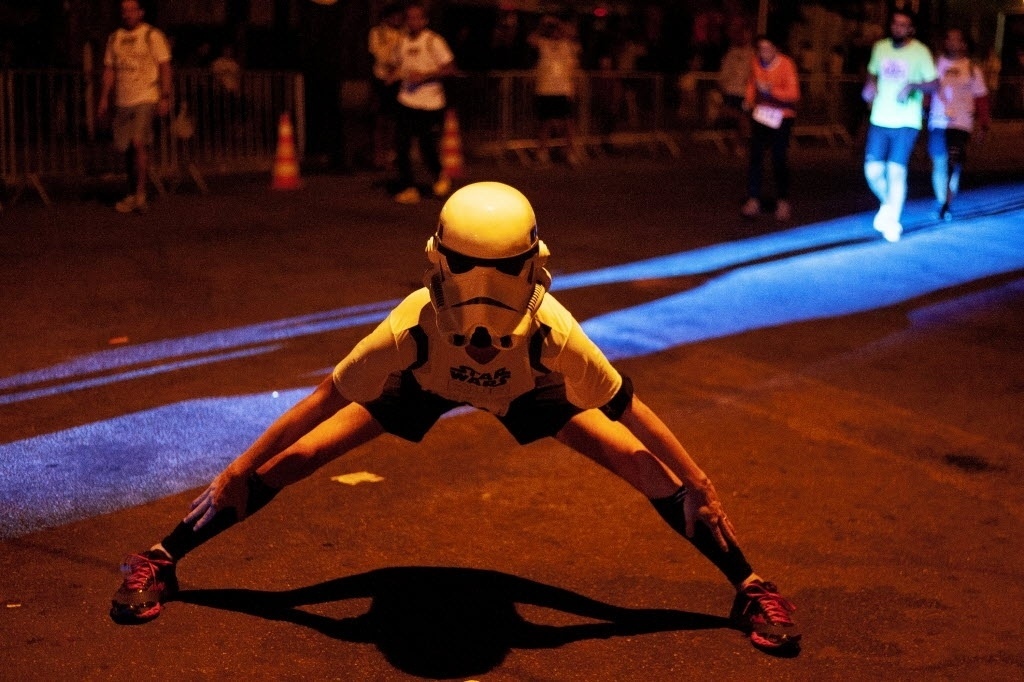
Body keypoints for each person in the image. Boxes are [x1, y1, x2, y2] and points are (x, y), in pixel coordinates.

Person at [110, 180, 802, 655]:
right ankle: (163, 557)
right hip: (428, 380)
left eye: (496, 268)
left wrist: (699, 482)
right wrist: (238, 468)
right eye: (468, 266)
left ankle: (748, 586)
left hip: (522, 386)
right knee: (293, 459)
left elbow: (629, 409)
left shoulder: (549, 332)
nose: (482, 293)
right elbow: (325, 399)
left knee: (640, 465)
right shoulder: (415, 326)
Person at [861, 9, 937, 242]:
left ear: (911, 29)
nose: (898, 27)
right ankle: (887, 204)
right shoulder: (880, 47)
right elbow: (872, 73)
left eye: (904, 25)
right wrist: (869, 86)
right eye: (895, 23)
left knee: (896, 171)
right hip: (879, 118)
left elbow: (934, 84)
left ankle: (893, 221)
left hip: (906, 120)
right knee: (872, 171)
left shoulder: (920, 52)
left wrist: (913, 85)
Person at [97, 0, 173, 214]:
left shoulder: (151, 35)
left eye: (132, 10)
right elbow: (109, 69)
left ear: (141, 12)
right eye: (124, 10)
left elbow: (165, 66)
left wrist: (165, 96)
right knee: (126, 149)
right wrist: (104, 98)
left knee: (139, 142)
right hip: (123, 99)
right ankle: (132, 191)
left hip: (146, 96)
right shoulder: (115, 38)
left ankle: (140, 194)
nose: (128, 14)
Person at [384, 2, 456, 205]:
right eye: (409, 18)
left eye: (417, 18)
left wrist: (425, 76)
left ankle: (439, 174)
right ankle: (408, 186)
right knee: (402, 145)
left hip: (430, 103)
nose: (413, 22)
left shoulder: (433, 41)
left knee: (427, 145)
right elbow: (396, 66)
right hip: (406, 101)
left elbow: (450, 69)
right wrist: (393, 75)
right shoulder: (401, 42)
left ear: (425, 20)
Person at [927, 28, 990, 221]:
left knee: (954, 163)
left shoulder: (972, 69)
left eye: (957, 40)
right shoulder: (936, 65)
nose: (953, 43)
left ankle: (947, 203)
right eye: (949, 39)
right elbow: (927, 91)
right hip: (938, 121)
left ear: (964, 44)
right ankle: (941, 201)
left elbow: (981, 98)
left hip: (961, 123)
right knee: (939, 163)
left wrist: (984, 125)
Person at [741, 35, 800, 222]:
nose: (763, 53)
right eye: (760, 49)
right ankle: (753, 199)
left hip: (782, 117)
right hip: (761, 115)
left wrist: (771, 91)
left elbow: (794, 94)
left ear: (776, 49)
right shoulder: (756, 62)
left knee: (778, 159)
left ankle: (782, 201)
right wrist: (748, 99)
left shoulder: (786, 64)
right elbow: (752, 84)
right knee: (755, 157)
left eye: (767, 49)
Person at [527, 14, 582, 167]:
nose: (555, 32)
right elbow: (531, 40)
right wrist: (542, 26)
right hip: (545, 89)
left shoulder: (568, 45)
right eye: (553, 30)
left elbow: (573, 34)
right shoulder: (543, 44)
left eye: (557, 30)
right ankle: (542, 151)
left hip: (563, 90)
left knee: (568, 123)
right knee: (544, 123)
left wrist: (558, 22)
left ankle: (570, 152)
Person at [368, 3, 405, 170]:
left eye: (399, 16)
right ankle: (378, 155)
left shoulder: (404, 33)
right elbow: (379, 54)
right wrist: (392, 61)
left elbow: (405, 57)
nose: (397, 19)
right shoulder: (378, 32)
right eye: (393, 16)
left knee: (395, 120)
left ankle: (392, 155)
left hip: (399, 81)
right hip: (381, 80)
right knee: (379, 119)